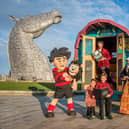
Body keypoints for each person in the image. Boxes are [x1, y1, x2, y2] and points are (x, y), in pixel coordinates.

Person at [46, 47, 76, 117]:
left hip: (68, 87)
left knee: (69, 98)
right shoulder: (54, 70)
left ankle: (70, 109)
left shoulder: (67, 69)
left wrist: (73, 76)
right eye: (59, 61)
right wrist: (64, 77)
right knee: (55, 99)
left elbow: (72, 74)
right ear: (53, 62)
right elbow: (57, 77)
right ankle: (50, 110)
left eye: (64, 60)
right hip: (60, 88)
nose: (62, 62)